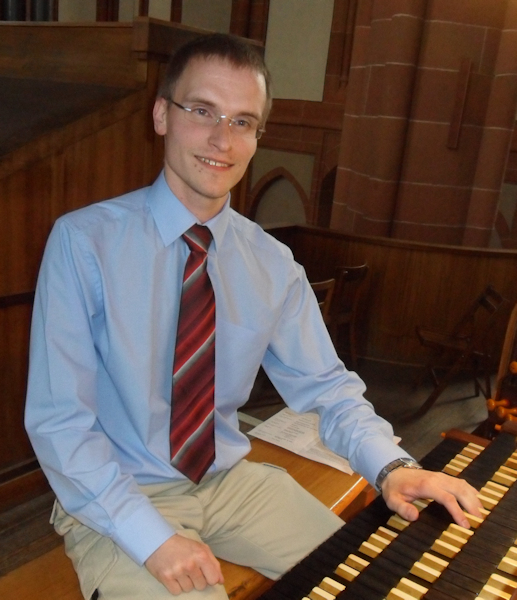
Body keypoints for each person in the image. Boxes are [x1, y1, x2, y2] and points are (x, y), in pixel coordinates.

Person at [25, 33, 481, 600]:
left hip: (229, 480)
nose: (222, 139)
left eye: (243, 121)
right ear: (162, 115)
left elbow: (327, 388)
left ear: (258, 136)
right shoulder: (83, 242)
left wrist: (393, 468)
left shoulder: (271, 262)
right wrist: (152, 538)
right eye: (202, 111)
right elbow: (60, 424)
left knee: (366, 582)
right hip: (118, 492)